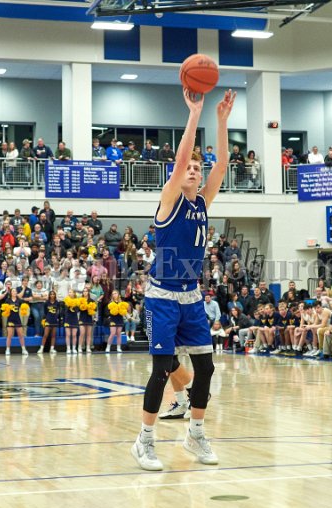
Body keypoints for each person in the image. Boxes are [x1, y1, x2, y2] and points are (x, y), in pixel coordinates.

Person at [132, 88, 235, 472]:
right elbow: (179, 161)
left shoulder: (203, 202)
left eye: (197, 167)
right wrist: (194, 113)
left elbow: (222, 165)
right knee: (162, 368)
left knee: (205, 369)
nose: (193, 170)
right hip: (161, 296)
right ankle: (144, 441)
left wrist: (221, 121)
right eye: (188, 167)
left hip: (191, 296)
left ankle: (196, 433)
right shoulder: (169, 199)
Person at [2, 287, 29, 356]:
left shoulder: (19, 300)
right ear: (11, 293)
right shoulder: (8, 300)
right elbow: (4, 310)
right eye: (13, 291)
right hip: (10, 319)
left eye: (15, 291)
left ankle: (23, 349)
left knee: (21, 335)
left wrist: (23, 311)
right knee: (9, 335)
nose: (14, 292)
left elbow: (23, 308)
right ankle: (7, 349)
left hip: (17, 319)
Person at [38, 290, 60, 355]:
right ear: (49, 295)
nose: (52, 295)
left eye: (53, 294)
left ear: (55, 295)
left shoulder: (57, 303)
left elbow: (58, 311)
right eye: (51, 294)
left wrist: (57, 318)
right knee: (45, 335)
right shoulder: (46, 303)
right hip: (48, 320)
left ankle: (52, 349)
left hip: (54, 320)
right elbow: (45, 312)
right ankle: (41, 348)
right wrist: (46, 318)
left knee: (53, 335)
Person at [63, 290, 80, 355]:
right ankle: (68, 348)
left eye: (71, 292)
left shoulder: (77, 301)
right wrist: (68, 305)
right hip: (67, 319)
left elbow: (77, 310)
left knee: (74, 334)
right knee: (68, 334)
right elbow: (64, 311)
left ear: (74, 293)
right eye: (69, 292)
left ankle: (74, 348)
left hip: (74, 318)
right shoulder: (66, 300)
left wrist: (74, 305)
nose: (69, 293)